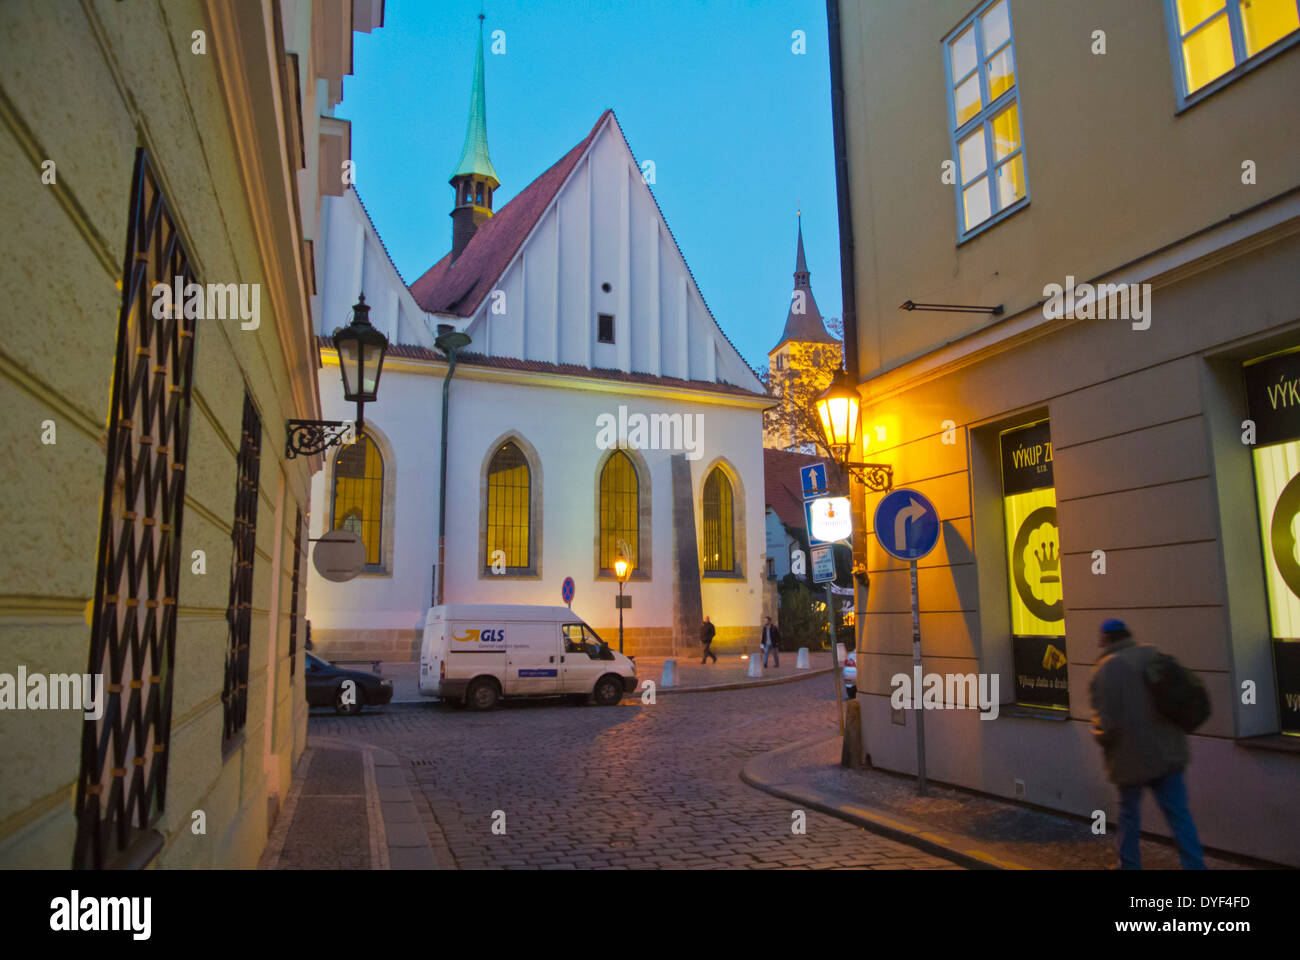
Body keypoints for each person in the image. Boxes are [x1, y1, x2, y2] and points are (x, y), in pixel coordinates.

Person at [1089, 618, 1205, 870]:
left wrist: (1099, 735)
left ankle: (1129, 866)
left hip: (1131, 761)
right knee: (1179, 816)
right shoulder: (1153, 654)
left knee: (1129, 816)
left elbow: (1105, 723)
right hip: (1169, 754)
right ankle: (1195, 866)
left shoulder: (1107, 669)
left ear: (1106, 639)